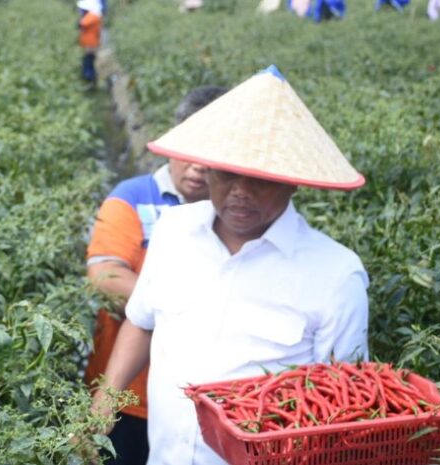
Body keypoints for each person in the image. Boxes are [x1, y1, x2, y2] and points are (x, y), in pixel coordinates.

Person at [91, 65, 369, 465]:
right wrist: (104, 402)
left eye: (259, 178)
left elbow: (343, 409)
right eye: (226, 173)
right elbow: (141, 320)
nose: (240, 192)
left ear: (293, 180)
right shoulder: (175, 232)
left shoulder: (335, 275)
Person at [85, 86, 228, 465]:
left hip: (206, 404)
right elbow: (106, 276)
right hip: (129, 397)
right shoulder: (131, 198)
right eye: (191, 151)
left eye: (210, 155)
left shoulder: (236, 219)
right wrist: (187, 310)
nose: (198, 165)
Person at [77, 0, 103, 84]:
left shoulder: (92, 15)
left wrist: (81, 19)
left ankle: (90, 78)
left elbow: (82, 24)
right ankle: (91, 79)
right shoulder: (95, 15)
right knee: (89, 60)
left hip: (90, 42)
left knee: (88, 60)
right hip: (91, 41)